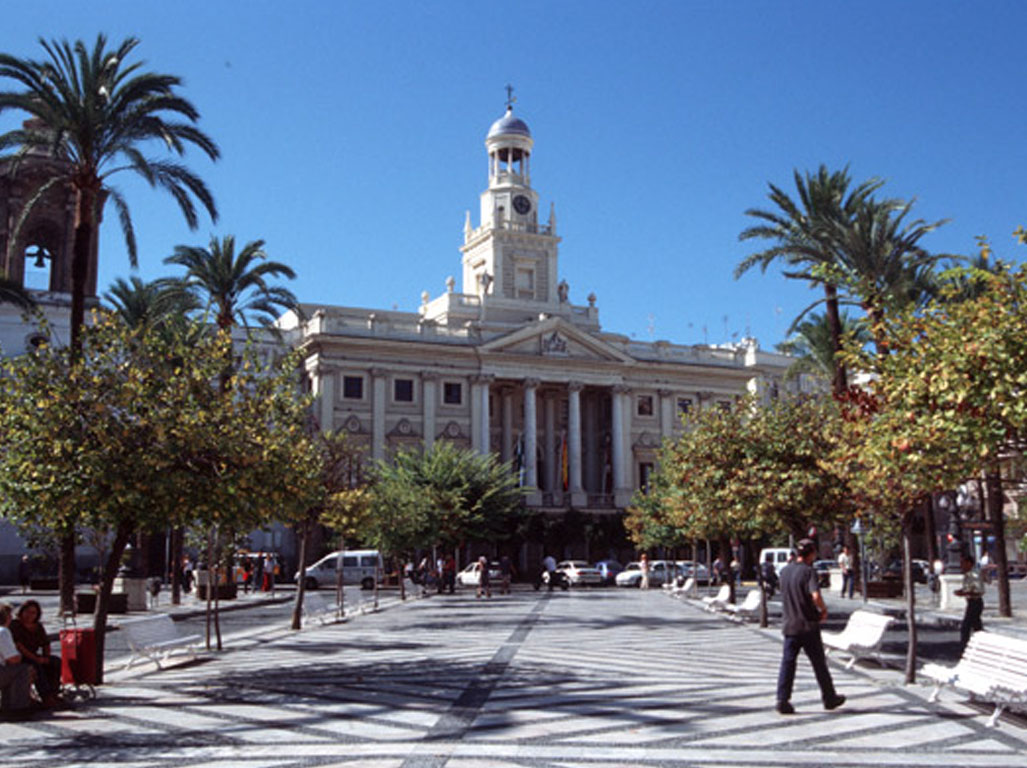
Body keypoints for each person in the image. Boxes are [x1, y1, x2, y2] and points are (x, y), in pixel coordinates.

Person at [775, 539, 845, 715]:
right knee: (819, 663)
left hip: (789, 624)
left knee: (788, 663)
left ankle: (783, 699)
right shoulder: (809, 572)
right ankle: (829, 698)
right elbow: (815, 596)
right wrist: (823, 610)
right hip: (807, 625)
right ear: (811, 554)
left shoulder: (784, 572)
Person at [11, 600, 61, 709]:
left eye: (33, 613)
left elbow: (45, 643)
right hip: (21, 656)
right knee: (35, 665)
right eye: (27, 612)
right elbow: (19, 645)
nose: (30, 615)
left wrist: (46, 657)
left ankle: (54, 692)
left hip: (34, 654)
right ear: (22, 612)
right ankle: (46, 696)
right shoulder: (15, 625)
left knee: (55, 662)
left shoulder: (38, 626)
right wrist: (36, 658)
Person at [0, 602, 33, 718]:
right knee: (22, 670)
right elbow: (13, 659)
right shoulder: (3, 632)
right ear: (8, 617)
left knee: (11, 671)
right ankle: (17, 708)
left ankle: (7, 704)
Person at [955, 553, 984, 652]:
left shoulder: (974, 575)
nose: (961, 565)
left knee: (966, 626)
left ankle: (965, 647)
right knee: (976, 626)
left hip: (975, 602)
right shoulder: (968, 575)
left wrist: (964, 593)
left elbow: (978, 591)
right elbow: (968, 588)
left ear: (969, 563)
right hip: (971, 602)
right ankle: (979, 645)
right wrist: (962, 591)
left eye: (963, 563)